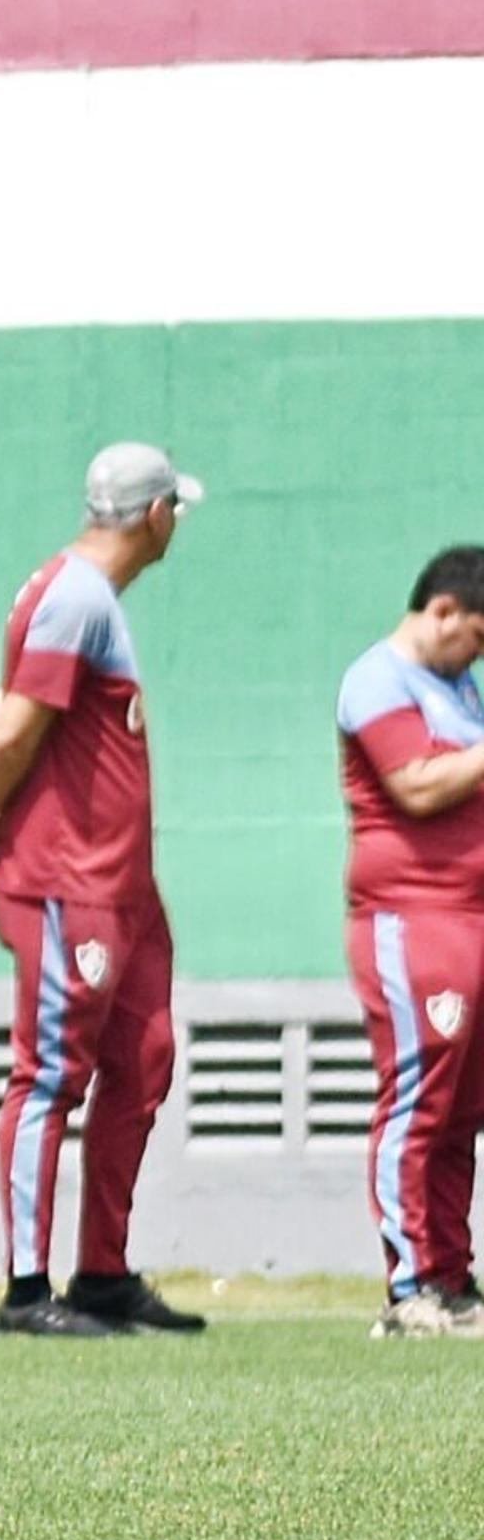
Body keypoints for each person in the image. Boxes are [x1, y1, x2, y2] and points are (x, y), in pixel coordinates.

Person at [0, 443, 205, 1337]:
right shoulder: (75, 595)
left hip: (121, 890)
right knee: (50, 1079)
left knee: (142, 1063)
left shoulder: (87, 599)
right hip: (65, 885)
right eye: (174, 511)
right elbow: (8, 729)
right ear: (154, 516)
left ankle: (105, 1276)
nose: (176, 526)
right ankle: (26, 1291)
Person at [335, 546, 484, 1338]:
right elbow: (418, 787)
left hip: (470, 915)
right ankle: (408, 1286)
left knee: (464, 1110)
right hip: (409, 918)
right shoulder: (377, 680)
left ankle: (454, 1281)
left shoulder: (459, 686)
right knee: (419, 1100)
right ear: (444, 612)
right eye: (479, 637)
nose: (480, 655)